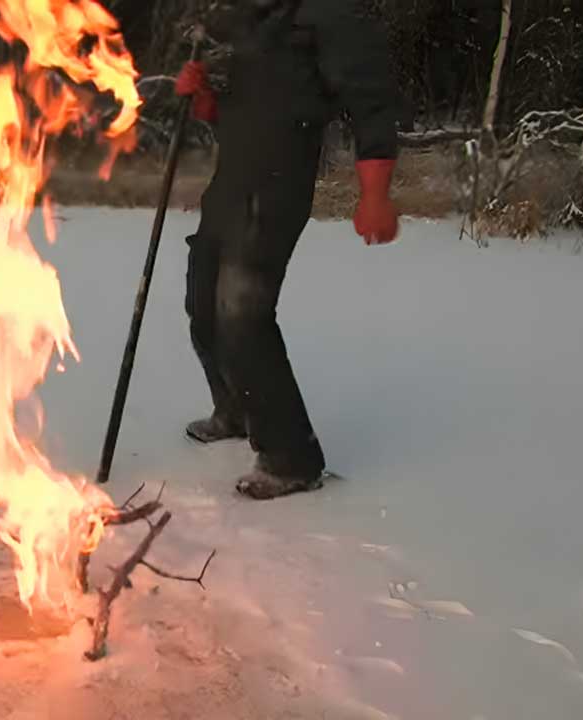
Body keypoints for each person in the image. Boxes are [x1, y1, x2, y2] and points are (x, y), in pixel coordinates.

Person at [174, 0, 403, 499]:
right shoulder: (249, 22)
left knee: (242, 316)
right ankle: (235, 410)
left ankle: (291, 458)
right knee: (202, 306)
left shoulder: (329, 16)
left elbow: (373, 101)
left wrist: (376, 194)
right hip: (230, 185)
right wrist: (203, 98)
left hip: (276, 190)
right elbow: (235, 114)